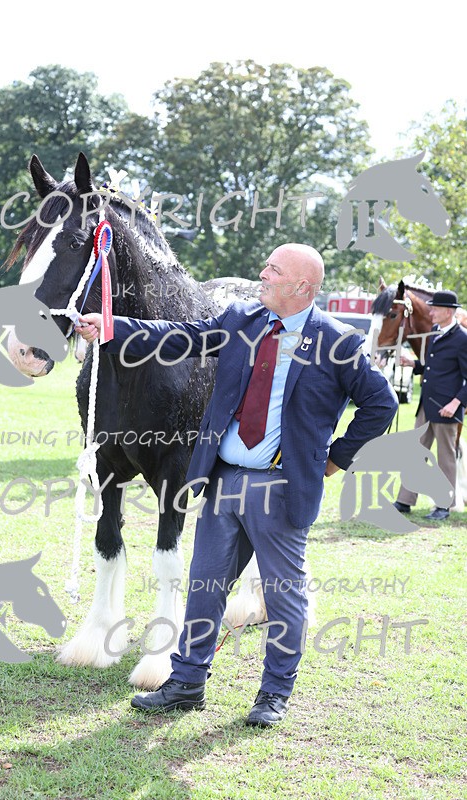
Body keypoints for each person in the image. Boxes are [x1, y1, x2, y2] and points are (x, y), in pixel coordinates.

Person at [76, 243, 397, 727]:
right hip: (223, 482)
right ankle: (186, 682)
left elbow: (382, 404)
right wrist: (114, 327)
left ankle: (273, 695)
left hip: (283, 489)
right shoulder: (240, 320)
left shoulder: (338, 341)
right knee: (205, 588)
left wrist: (333, 460)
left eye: (274, 269)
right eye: (265, 263)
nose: (262, 273)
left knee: (284, 596)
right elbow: (178, 335)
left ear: (302, 286)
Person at [394, 289, 467, 521]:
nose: (431, 311)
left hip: (447, 408)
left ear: (448, 311)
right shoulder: (436, 332)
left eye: (435, 308)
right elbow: (434, 367)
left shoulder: (463, 338)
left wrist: (456, 404)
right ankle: (404, 501)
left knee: (445, 457)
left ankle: (443, 506)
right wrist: (413, 363)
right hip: (427, 405)